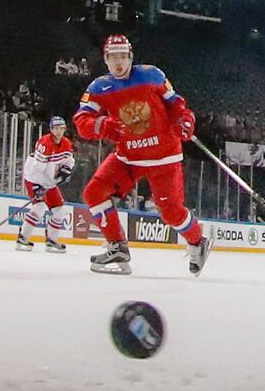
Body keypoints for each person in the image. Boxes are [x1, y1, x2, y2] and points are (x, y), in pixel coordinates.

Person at [73, 34, 210, 276]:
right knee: (94, 193)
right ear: (105, 60)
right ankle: (117, 247)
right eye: (113, 57)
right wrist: (101, 125)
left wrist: (185, 119)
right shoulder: (98, 88)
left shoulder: (151, 75)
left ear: (130, 57)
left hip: (163, 157)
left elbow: (176, 104)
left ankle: (198, 242)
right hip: (128, 158)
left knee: (171, 212)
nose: (118, 62)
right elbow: (82, 120)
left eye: (122, 56)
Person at [15, 116, 74, 253]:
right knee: (40, 207)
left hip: (49, 180)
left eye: (61, 128)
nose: (58, 131)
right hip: (34, 177)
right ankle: (23, 238)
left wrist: (66, 170)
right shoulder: (44, 143)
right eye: (56, 128)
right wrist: (39, 187)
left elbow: (69, 161)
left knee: (60, 210)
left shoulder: (66, 143)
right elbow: (36, 169)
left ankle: (51, 241)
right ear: (51, 129)